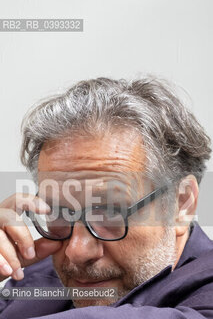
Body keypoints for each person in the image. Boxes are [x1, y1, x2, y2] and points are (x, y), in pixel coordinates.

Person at [0, 77, 212, 319]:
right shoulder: (31, 281)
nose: (77, 252)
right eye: (58, 213)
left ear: (182, 203)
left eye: (109, 213)